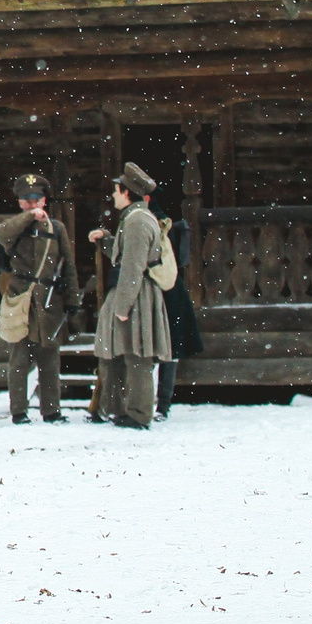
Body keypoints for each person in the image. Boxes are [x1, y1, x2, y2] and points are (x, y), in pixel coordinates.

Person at [86, 161, 174, 428]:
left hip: (136, 294)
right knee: (118, 351)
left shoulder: (137, 221)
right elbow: (127, 254)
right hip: (133, 291)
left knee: (137, 355)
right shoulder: (135, 218)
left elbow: (133, 266)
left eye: (116, 191)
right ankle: (119, 408)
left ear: (127, 192)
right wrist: (106, 239)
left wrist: (123, 306)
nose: (113, 196)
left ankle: (138, 414)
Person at [0, 172, 75, 424]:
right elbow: (1, 235)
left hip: (49, 300)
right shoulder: (14, 227)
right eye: (27, 200)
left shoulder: (57, 228)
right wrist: (28, 217)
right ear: (20, 202)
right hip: (22, 298)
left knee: (49, 359)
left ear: (44, 200)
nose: (32, 204)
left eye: (36, 200)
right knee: (19, 358)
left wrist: (72, 298)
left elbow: (68, 264)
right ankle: (19, 411)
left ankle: (51, 411)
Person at [157, 214, 205, 419]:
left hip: (170, 294)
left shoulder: (162, 234)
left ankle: (162, 405)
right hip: (163, 293)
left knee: (169, 352)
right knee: (165, 352)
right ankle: (158, 404)